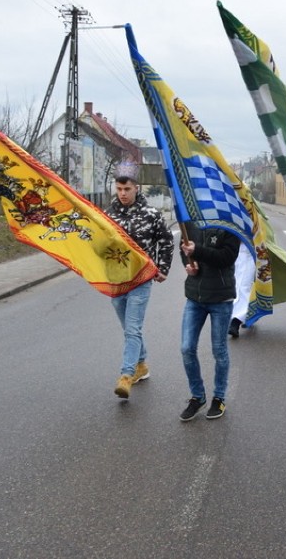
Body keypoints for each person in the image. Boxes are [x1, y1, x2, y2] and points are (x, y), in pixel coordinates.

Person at [105, 160, 174, 400]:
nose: (123, 193)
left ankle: (126, 376)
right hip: (116, 280)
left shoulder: (151, 214)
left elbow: (166, 241)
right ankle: (142, 365)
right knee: (128, 328)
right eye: (119, 189)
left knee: (132, 328)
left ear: (137, 188)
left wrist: (163, 268)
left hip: (141, 280)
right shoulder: (107, 215)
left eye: (127, 189)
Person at [179, 222, 241, 421]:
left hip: (221, 299)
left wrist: (198, 251)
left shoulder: (230, 222)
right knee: (187, 348)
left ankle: (219, 397)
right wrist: (189, 263)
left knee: (219, 350)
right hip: (194, 296)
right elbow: (184, 248)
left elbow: (226, 258)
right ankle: (197, 397)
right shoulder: (190, 220)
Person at [228, 244, 255, 338]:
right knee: (236, 286)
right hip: (233, 252)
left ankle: (235, 321)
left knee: (244, 287)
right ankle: (250, 312)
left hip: (251, 253)